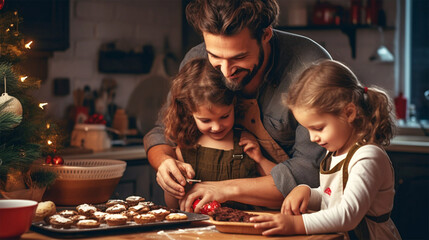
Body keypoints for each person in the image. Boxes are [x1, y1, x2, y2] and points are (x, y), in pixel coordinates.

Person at [143, 0, 332, 212]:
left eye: (239, 57)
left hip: (292, 218)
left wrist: (222, 190)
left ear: (266, 35)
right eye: (214, 55)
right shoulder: (197, 59)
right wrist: (164, 162)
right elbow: (162, 133)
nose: (225, 71)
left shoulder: (310, 67)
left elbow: (310, 175)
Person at [251, 60, 401, 239]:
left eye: (319, 128)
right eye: (307, 129)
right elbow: (332, 197)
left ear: (349, 113)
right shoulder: (335, 153)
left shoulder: (368, 157)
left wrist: (295, 224)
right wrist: (308, 191)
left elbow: (347, 215)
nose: (312, 138)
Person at [162, 58, 275, 209]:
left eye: (224, 116)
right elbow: (173, 205)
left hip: (242, 226)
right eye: (205, 120)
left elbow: (281, 186)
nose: (216, 127)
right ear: (190, 112)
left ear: (234, 104)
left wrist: (260, 159)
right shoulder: (186, 149)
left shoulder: (246, 142)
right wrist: (171, 186)